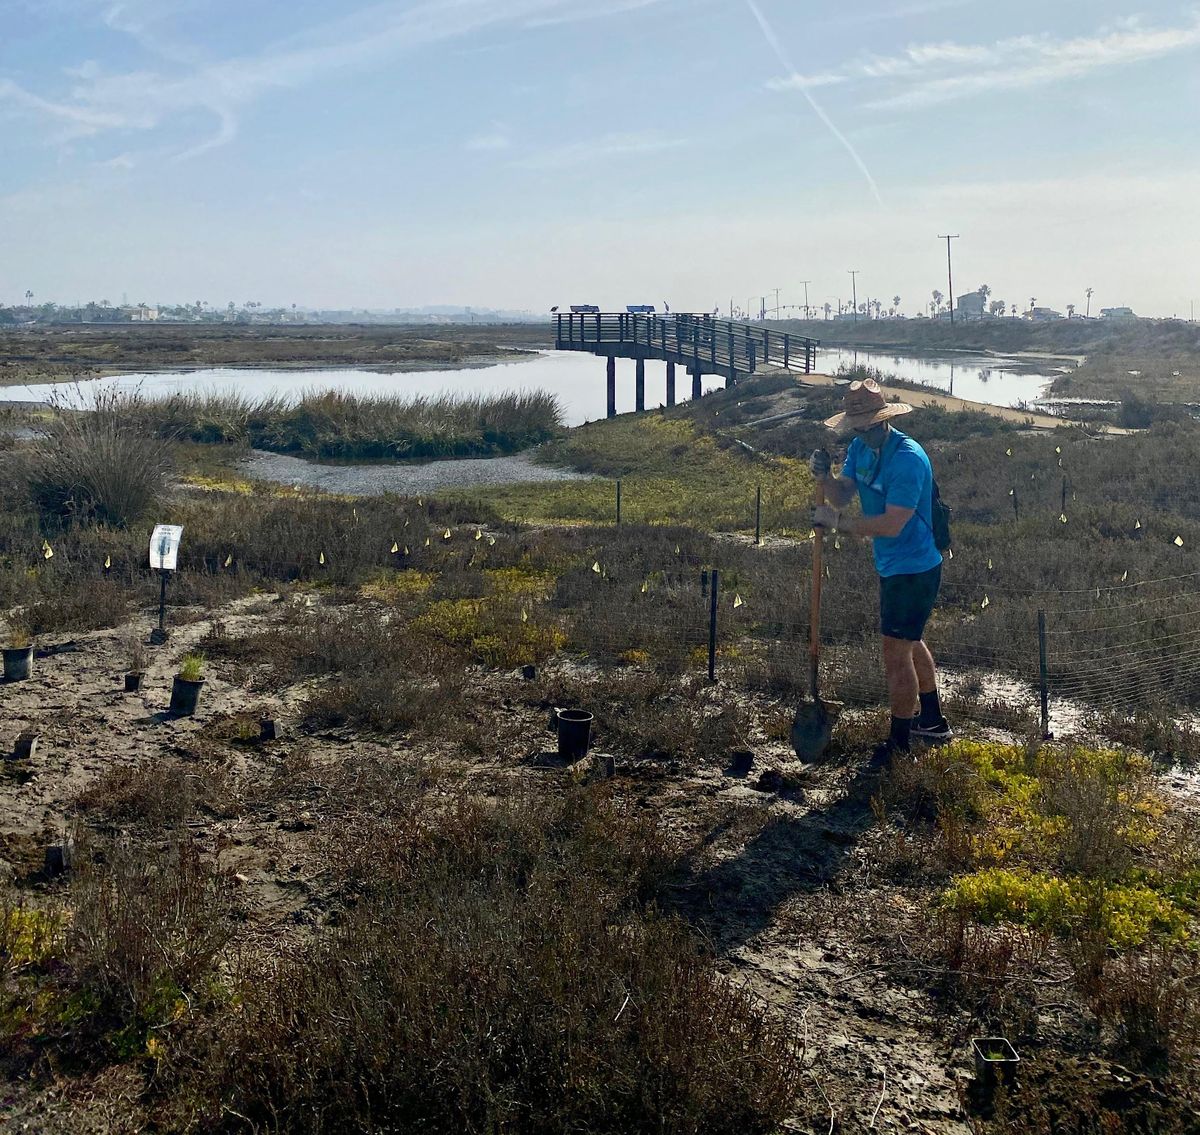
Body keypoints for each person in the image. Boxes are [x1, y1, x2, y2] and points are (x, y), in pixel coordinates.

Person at [809, 379, 951, 760]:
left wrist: (838, 524)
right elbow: (843, 493)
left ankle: (900, 744)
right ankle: (933, 720)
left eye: (872, 425)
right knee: (910, 641)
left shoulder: (908, 458)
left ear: (884, 420)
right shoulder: (859, 448)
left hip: (915, 568)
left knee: (894, 653)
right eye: (860, 427)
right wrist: (825, 479)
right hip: (892, 564)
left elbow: (892, 524)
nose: (866, 432)